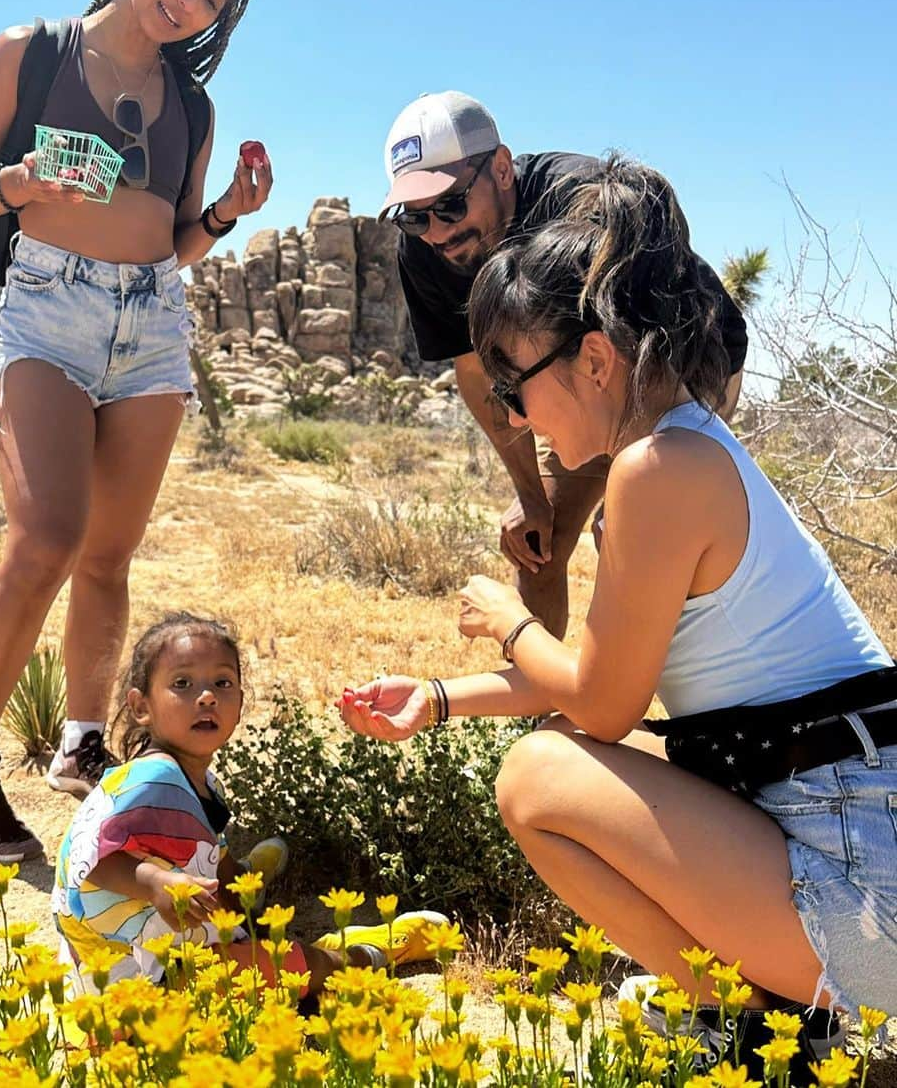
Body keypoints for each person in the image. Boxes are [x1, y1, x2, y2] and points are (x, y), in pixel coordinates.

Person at [343, 154, 897, 1039]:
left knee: (539, 775)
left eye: (515, 386)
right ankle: (762, 1018)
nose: (517, 419)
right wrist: (440, 699)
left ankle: (749, 1023)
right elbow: (597, 673)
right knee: (554, 759)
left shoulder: (657, 471)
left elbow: (599, 706)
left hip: (868, 898)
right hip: (855, 863)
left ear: (595, 359)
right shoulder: (680, 445)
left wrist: (509, 621)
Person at [0, 0, 273, 863]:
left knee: (109, 558)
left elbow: (175, 240)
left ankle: (85, 750)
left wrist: (227, 214)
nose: (193, 1)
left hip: (153, 320)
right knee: (46, 536)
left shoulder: (193, 108)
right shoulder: (29, 51)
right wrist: (20, 185)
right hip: (44, 302)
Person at [381, 92, 748, 640]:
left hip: (681, 358)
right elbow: (480, 374)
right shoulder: (428, 252)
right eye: (415, 216)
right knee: (536, 544)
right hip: (575, 378)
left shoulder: (585, 203)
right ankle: (544, 710)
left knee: (636, 533)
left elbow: (644, 353)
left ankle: (653, 701)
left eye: (451, 204)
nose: (437, 231)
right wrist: (530, 495)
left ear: (501, 168)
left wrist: (633, 490)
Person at [53, 611, 449, 993]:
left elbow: (204, 845)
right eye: (183, 684)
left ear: (241, 703)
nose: (206, 697)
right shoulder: (155, 781)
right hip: (134, 974)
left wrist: (248, 917)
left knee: (233, 895)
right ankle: (367, 952)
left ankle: (247, 884)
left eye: (222, 684)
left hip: (166, 940)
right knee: (302, 968)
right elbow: (94, 864)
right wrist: (158, 882)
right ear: (141, 706)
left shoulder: (192, 779)